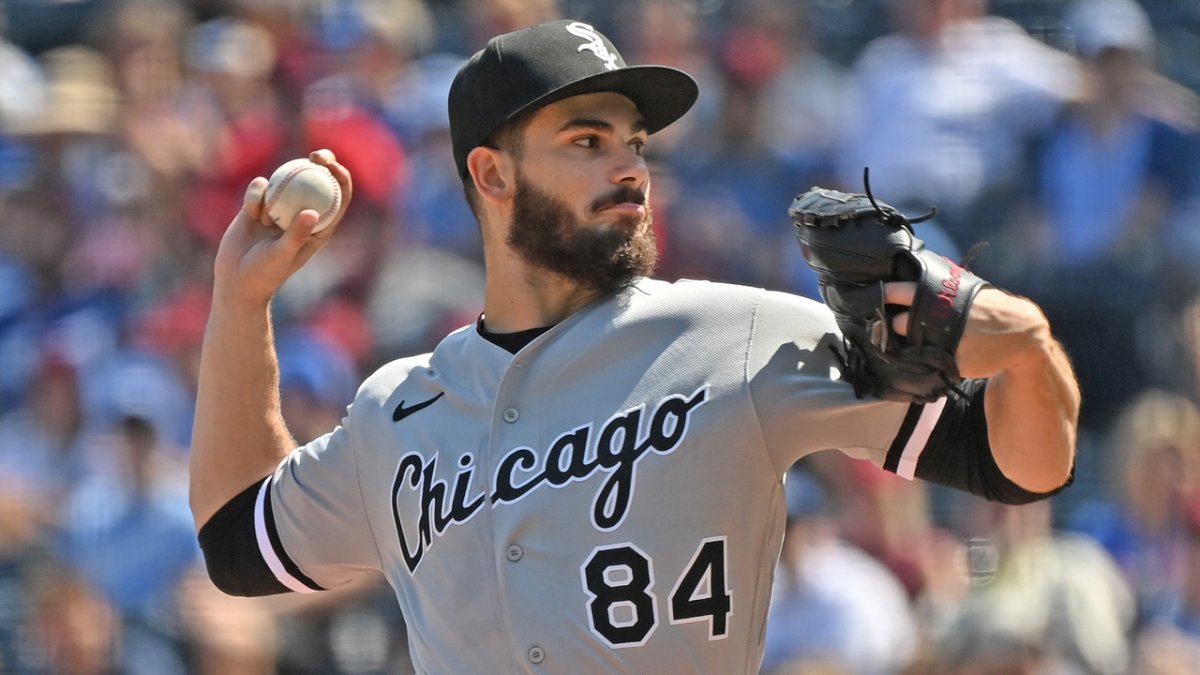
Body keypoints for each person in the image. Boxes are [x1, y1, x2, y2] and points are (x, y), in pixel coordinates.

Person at [188, 19, 1079, 673]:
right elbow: (239, 541)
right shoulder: (401, 405)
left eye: (635, 142)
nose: (630, 168)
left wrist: (1028, 348)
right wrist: (240, 301)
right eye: (587, 140)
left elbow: (1015, 463)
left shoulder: (739, 335)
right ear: (491, 174)